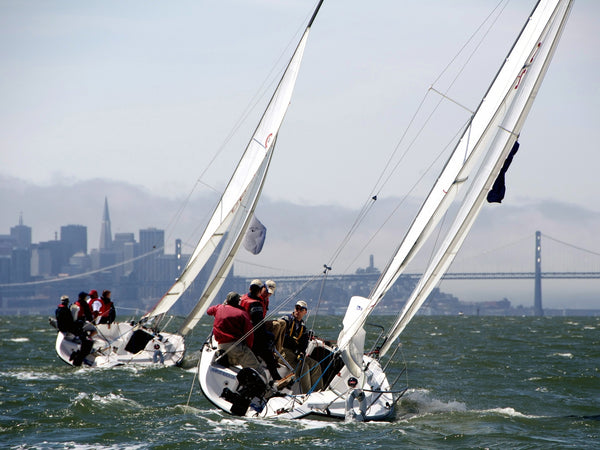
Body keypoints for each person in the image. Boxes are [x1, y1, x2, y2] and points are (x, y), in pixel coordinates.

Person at [207, 292, 265, 380]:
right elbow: (249, 334)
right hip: (237, 347)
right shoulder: (242, 313)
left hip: (221, 347)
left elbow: (209, 311)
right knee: (258, 371)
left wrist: (221, 306)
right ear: (238, 302)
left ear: (227, 300)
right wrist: (248, 348)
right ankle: (268, 390)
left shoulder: (219, 308)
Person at [240, 279, 281, 380]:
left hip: (241, 332)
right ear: (260, 290)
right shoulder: (256, 304)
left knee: (279, 325)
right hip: (251, 335)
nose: (267, 294)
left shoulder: (241, 299)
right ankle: (276, 378)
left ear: (250, 288)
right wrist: (269, 338)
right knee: (267, 351)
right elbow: (258, 325)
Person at [279, 300, 323, 394]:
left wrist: (301, 352)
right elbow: (280, 327)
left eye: (301, 309)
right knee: (303, 367)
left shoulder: (302, 326)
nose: (298, 311)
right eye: (296, 308)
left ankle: (318, 393)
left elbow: (303, 343)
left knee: (316, 365)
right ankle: (307, 394)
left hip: (294, 353)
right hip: (282, 351)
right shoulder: (287, 319)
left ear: (305, 312)